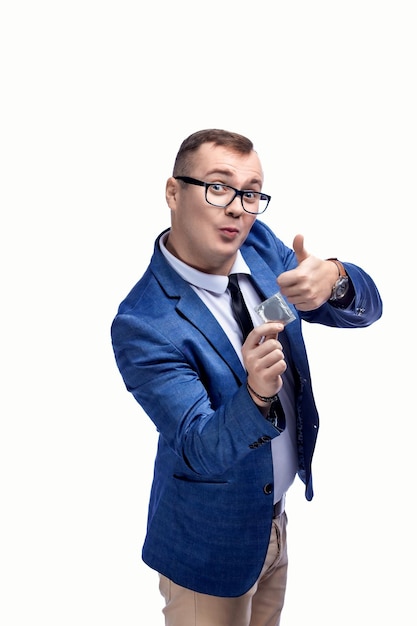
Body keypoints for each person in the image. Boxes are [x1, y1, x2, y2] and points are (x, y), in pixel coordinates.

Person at [111, 128, 383, 626]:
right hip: (208, 550)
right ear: (174, 192)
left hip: (272, 523)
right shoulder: (144, 324)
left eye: (251, 192)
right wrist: (255, 395)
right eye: (218, 186)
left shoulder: (259, 246)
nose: (237, 207)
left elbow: (367, 311)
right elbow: (198, 446)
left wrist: (334, 278)